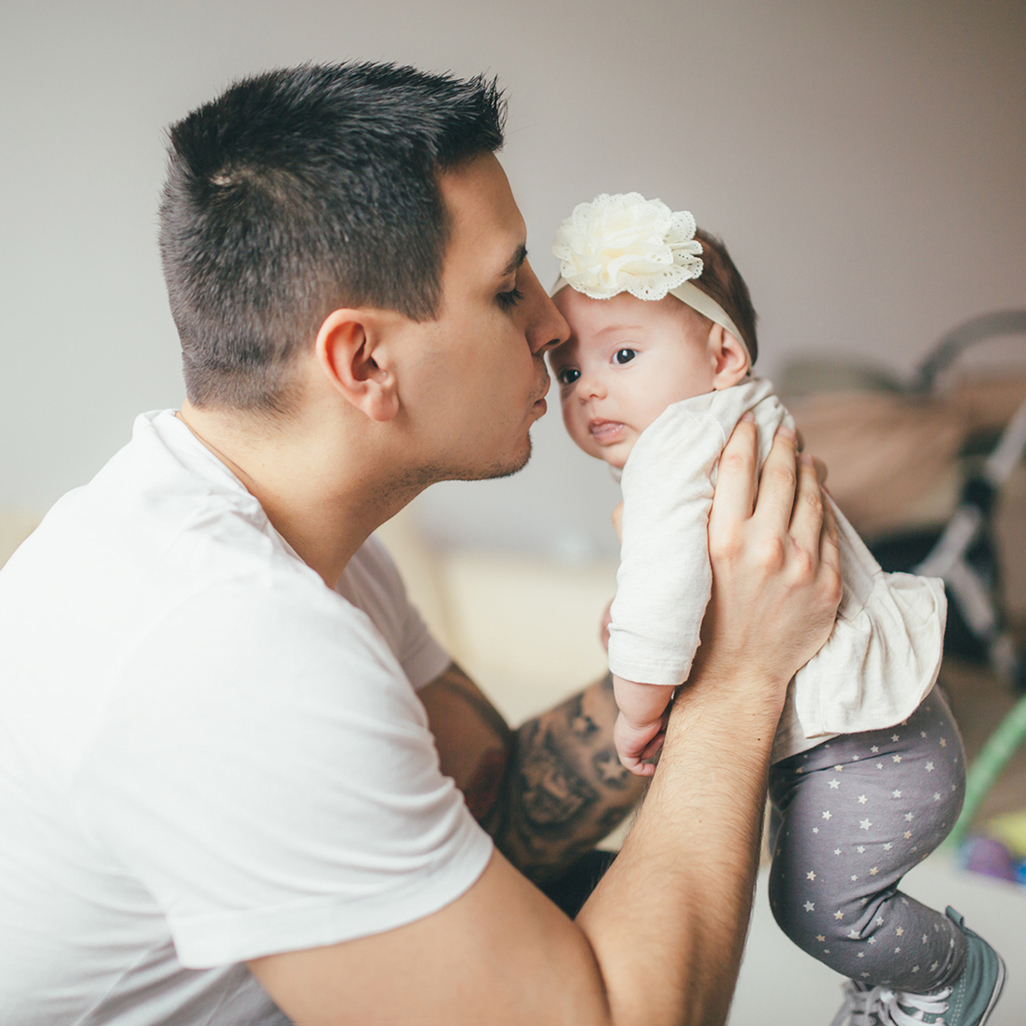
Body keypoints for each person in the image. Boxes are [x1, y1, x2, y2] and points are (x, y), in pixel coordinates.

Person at [0, 65, 842, 1026]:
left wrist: (703, 624)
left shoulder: (309, 546)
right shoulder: (221, 639)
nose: (554, 320)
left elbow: (496, 805)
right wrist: (738, 684)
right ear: (363, 363)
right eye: (504, 286)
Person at [548, 191, 1006, 1026]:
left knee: (818, 911)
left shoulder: (675, 448)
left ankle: (947, 974)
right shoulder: (745, 417)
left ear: (723, 352)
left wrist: (637, 704)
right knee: (818, 903)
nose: (589, 392)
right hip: (887, 735)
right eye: (571, 371)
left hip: (869, 754)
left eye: (622, 355)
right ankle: (898, 978)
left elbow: (664, 603)